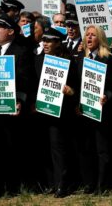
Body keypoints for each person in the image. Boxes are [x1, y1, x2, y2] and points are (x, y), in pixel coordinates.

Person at [0, 13, 33, 194]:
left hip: (10, 109)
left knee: (11, 148)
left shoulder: (21, 52)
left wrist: (20, 99)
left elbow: (27, 80)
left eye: (1, 27)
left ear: (11, 31)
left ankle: (13, 187)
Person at [34, 27, 78, 197]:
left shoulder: (67, 61)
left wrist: (70, 91)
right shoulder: (38, 59)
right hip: (41, 111)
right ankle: (51, 182)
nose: (45, 43)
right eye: (44, 40)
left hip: (60, 113)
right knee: (45, 148)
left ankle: (62, 184)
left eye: (49, 40)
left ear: (58, 43)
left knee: (58, 148)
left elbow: (75, 85)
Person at [75, 25, 112, 193]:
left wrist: (107, 96)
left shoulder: (108, 58)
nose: (89, 38)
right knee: (86, 149)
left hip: (102, 111)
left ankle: (103, 184)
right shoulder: (80, 57)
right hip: (84, 111)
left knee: (102, 149)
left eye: (93, 35)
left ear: (100, 38)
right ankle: (89, 184)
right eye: (87, 35)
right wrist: (77, 104)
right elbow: (78, 84)